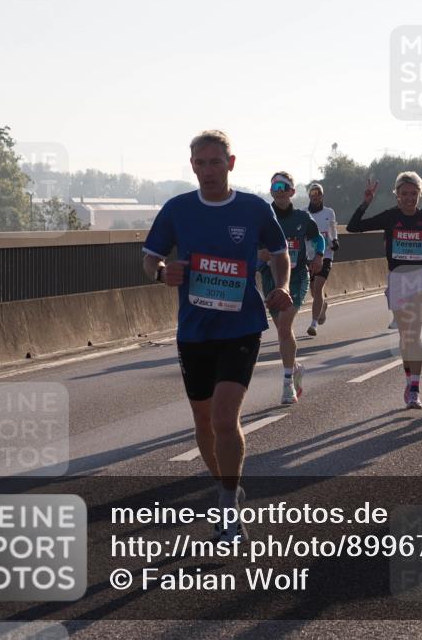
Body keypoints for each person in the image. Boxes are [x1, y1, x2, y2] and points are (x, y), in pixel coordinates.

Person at [143, 130, 292, 542]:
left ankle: (227, 507)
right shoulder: (177, 209)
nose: (208, 170)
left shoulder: (253, 208)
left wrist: (280, 284)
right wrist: (160, 274)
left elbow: (280, 253)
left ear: (231, 163)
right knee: (204, 421)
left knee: (226, 418)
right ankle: (227, 485)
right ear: (192, 165)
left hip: (241, 325)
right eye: (200, 163)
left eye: (215, 162)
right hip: (194, 330)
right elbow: (150, 258)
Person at [347, 173, 422, 409]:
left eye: (413, 194)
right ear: (397, 195)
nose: (409, 198)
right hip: (398, 278)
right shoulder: (390, 217)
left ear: (420, 195)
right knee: (406, 337)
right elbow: (353, 227)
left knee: (415, 333)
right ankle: (408, 379)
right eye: (404, 194)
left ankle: (415, 388)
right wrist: (366, 203)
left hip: (421, 277)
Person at [258, 172, 325, 404]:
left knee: (285, 325)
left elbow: (318, 239)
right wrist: (261, 254)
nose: (278, 189)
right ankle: (295, 367)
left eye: (283, 186)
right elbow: (248, 245)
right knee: (282, 331)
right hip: (270, 279)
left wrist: (319, 255)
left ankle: (287, 385)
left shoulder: (302, 218)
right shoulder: (263, 216)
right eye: (274, 185)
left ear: (292, 192)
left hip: (296, 278)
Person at [305, 183, 338, 337]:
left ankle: (313, 324)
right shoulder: (304, 213)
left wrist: (335, 240)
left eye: (318, 194)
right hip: (309, 256)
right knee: (313, 290)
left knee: (318, 288)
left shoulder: (329, 212)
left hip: (325, 255)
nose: (315, 197)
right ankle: (322, 306)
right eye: (312, 194)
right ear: (309, 196)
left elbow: (332, 229)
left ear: (322, 196)